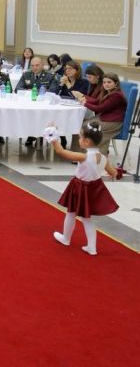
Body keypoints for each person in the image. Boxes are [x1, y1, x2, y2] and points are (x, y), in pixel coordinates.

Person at [49, 121, 119, 256]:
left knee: (71, 212)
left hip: (80, 188)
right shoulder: (103, 157)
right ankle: (91, 247)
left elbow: (60, 151)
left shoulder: (83, 157)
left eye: (80, 137)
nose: (79, 140)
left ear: (86, 141)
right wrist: (113, 174)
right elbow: (113, 172)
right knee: (87, 218)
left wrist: (51, 133)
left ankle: (66, 238)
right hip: (93, 189)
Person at [74, 73, 126, 155]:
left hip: (113, 122)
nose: (106, 84)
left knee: (84, 127)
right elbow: (96, 101)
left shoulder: (116, 95)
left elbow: (100, 108)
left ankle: (82, 153)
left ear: (116, 83)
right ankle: (81, 153)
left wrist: (84, 103)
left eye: (109, 82)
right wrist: (83, 97)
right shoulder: (109, 92)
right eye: (104, 82)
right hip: (106, 118)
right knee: (80, 123)